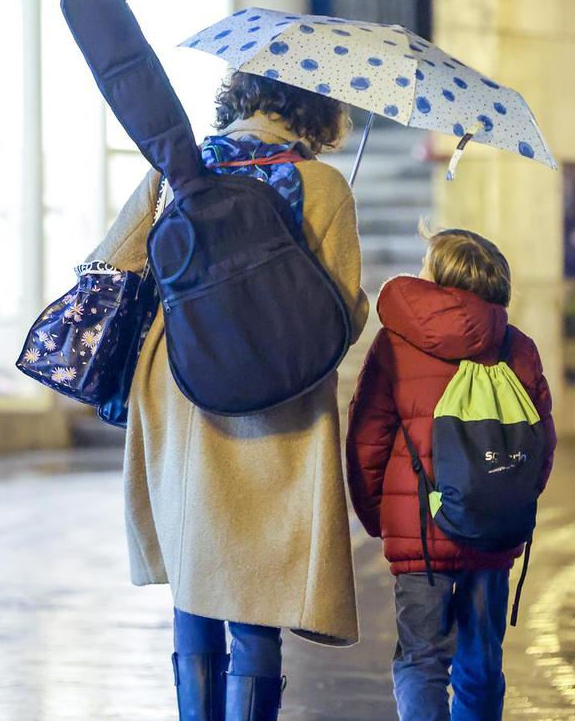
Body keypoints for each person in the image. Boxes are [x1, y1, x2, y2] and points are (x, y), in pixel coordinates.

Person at [85, 71, 370, 720]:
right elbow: (344, 316)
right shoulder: (322, 183)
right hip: (277, 401)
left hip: (181, 392)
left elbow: (114, 262)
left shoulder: (177, 169)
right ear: (316, 108)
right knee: (256, 595)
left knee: (196, 577)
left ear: (238, 98)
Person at [345, 228, 558, 721]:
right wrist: (505, 498)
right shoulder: (517, 347)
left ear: (440, 276)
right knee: (481, 661)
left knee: (422, 660)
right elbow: (541, 441)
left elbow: (368, 437)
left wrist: (382, 516)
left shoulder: (396, 343)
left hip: (419, 531)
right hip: (493, 534)